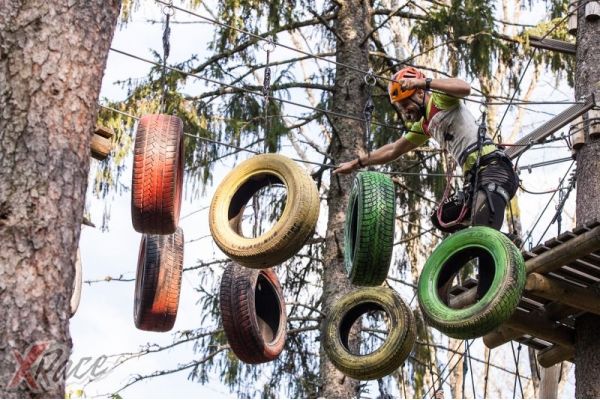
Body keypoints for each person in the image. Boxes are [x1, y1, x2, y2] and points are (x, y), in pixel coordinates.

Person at [333, 66, 519, 234]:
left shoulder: (441, 100)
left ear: (420, 94)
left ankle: (502, 245)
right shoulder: (425, 125)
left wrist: (423, 82)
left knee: (483, 228)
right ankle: (487, 242)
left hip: (494, 169)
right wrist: (357, 163)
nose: (405, 111)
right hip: (475, 180)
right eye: (400, 107)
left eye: (406, 104)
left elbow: (464, 88)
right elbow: (393, 150)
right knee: (442, 218)